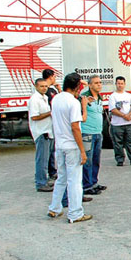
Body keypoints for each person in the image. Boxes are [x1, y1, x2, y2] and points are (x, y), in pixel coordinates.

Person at [48, 73, 92, 223]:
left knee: (62, 178)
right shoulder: (73, 102)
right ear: (77, 87)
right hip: (71, 146)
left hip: (60, 144)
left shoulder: (57, 99)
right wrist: (82, 150)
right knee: (74, 181)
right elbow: (76, 126)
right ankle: (75, 212)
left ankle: (54, 207)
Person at [109, 76, 131, 167]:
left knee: (130, 142)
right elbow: (113, 110)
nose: (120, 85)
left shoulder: (129, 95)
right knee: (118, 143)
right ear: (116, 84)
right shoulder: (113, 96)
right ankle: (120, 159)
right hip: (117, 124)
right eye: (118, 83)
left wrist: (129, 115)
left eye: (122, 83)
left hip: (128, 123)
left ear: (124, 84)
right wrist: (124, 116)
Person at [80, 75, 106, 195]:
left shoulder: (99, 97)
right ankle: (86, 185)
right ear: (89, 85)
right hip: (87, 133)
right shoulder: (84, 97)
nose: (99, 85)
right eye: (96, 83)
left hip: (97, 132)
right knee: (88, 161)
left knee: (96, 159)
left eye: (100, 82)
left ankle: (94, 182)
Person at [28, 78, 54, 192]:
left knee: (47, 158)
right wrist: (50, 113)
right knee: (41, 159)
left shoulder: (45, 98)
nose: (44, 88)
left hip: (47, 131)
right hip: (41, 132)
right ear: (36, 87)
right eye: (41, 86)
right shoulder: (35, 99)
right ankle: (41, 183)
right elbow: (34, 117)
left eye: (46, 86)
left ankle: (44, 179)